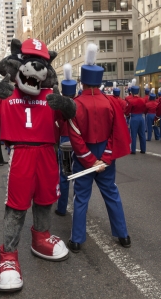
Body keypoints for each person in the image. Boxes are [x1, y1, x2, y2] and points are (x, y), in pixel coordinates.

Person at [0, 38, 76, 292]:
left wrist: (65, 103)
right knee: (16, 207)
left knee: (45, 200)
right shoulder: (6, 93)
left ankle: (40, 237)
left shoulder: (50, 95)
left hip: (47, 153)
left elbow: (72, 111)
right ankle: (8, 256)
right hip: (21, 154)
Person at [67, 43, 131, 253]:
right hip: (106, 152)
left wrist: (89, 160)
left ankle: (76, 240)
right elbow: (116, 133)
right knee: (111, 193)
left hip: (83, 155)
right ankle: (123, 235)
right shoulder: (110, 102)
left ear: (82, 81)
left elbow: (75, 136)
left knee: (81, 197)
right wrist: (105, 158)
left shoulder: (75, 104)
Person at [55, 63, 77, 216]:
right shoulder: (79, 103)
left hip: (63, 141)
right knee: (79, 177)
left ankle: (62, 208)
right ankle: (79, 208)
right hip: (78, 142)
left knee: (63, 177)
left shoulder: (58, 106)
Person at [125, 79, 146, 154]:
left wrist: (127, 115)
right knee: (142, 134)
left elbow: (127, 110)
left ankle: (133, 150)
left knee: (133, 134)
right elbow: (145, 108)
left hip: (134, 118)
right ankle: (143, 149)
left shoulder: (131, 101)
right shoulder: (143, 100)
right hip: (141, 117)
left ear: (132, 92)